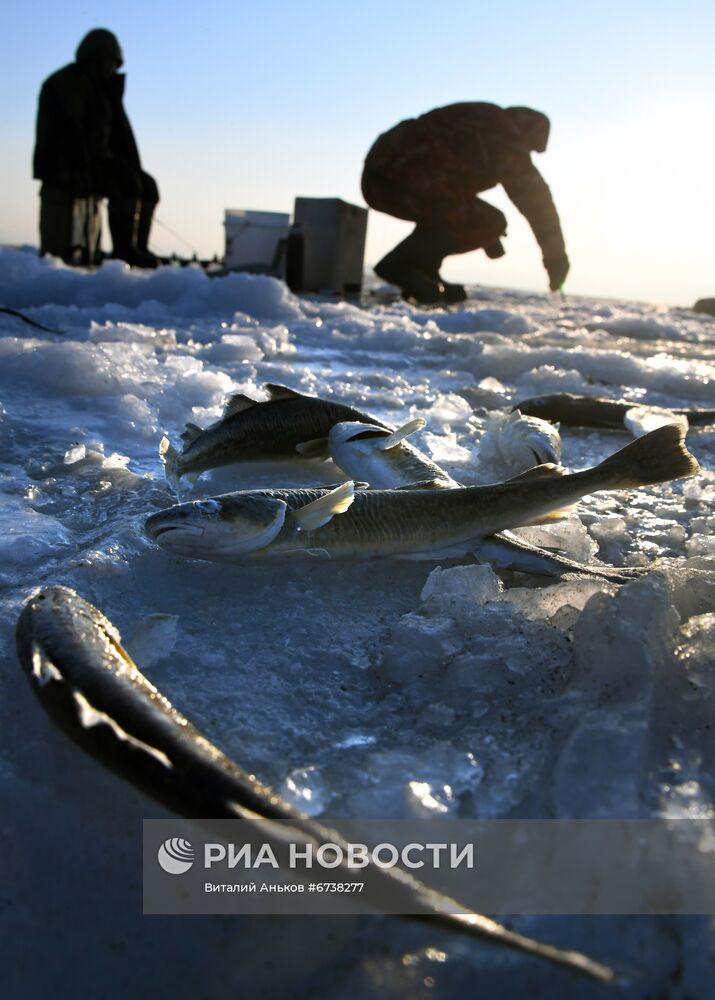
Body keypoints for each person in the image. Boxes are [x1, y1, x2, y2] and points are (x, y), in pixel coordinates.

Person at [361, 102, 569, 304]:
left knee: (454, 212)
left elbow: (455, 183)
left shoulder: (485, 121)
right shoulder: (506, 138)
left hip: (378, 179)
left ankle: (423, 274)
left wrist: (489, 238)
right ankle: (400, 266)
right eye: (530, 149)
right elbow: (538, 205)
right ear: (528, 135)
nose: (526, 156)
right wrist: (556, 258)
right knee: (490, 220)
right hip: (398, 180)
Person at [33, 28, 160, 268]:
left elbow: (119, 136)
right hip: (69, 164)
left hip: (98, 160)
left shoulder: (104, 90)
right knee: (127, 182)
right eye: (111, 63)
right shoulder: (67, 84)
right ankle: (124, 251)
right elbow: (69, 133)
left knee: (147, 186)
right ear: (97, 59)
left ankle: (136, 248)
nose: (113, 69)